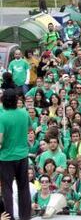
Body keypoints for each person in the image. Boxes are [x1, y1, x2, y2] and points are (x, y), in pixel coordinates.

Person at [0, 89, 32, 220]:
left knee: (7, 188)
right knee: (24, 186)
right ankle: (26, 216)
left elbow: (0, 140)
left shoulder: (2, 117)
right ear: (16, 100)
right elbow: (30, 129)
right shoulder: (24, 113)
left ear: (3, 101)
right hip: (23, 155)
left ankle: (9, 217)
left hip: (6, 157)